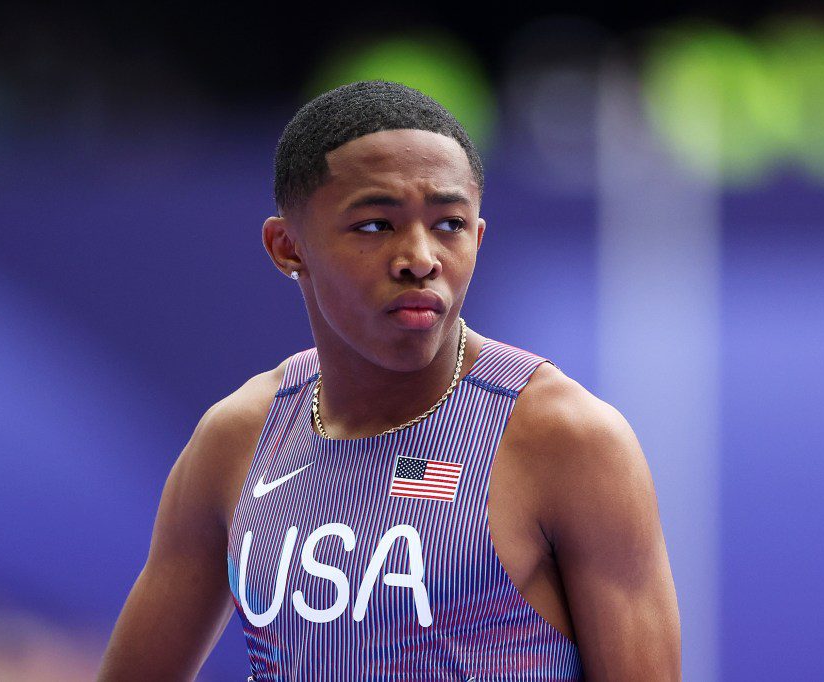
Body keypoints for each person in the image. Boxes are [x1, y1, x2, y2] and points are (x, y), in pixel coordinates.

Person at [97, 79, 681, 681]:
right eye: (376, 225)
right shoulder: (239, 438)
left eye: (450, 224)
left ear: (478, 237)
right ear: (287, 246)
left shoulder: (568, 440)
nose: (420, 258)